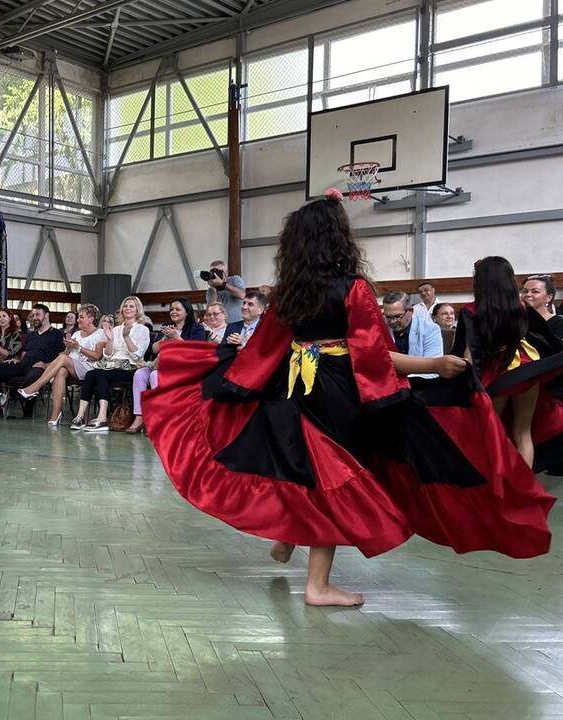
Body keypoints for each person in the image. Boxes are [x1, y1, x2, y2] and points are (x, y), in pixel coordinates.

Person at [143, 193, 554, 607]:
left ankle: (286, 540)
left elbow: (264, 349)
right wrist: (434, 364)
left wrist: (230, 380)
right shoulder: (353, 288)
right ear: (338, 238)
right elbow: (374, 355)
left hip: (293, 385)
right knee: (335, 479)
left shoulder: (289, 291)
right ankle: (317, 585)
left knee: (307, 463)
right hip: (339, 389)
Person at [452, 257, 563, 468]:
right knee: (523, 432)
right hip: (527, 368)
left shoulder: (471, 310)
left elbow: (469, 352)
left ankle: (500, 487)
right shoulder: (520, 307)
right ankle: (525, 489)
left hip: (498, 373)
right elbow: (543, 337)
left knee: (493, 433)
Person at [125, 297, 207, 434]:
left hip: (184, 369)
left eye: (177, 309)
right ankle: (139, 417)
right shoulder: (167, 327)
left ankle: (159, 419)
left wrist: (176, 337)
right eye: (171, 309)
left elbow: (196, 351)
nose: (173, 312)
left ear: (187, 312)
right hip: (162, 364)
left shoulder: (196, 328)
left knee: (155, 375)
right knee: (139, 374)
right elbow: (154, 349)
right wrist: (164, 339)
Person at [70, 296, 150, 433]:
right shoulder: (116, 329)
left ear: (137, 310)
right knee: (90, 374)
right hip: (112, 365)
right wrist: (110, 340)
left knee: (101, 375)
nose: (128, 309)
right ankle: (80, 416)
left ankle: (102, 418)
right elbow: (107, 355)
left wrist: (126, 337)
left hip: (130, 367)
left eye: (131, 306)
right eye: (125, 306)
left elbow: (137, 355)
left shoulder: (142, 330)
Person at [16, 303, 106, 426]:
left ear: (91, 319)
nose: (78, 319)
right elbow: (66, 353)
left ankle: (35, 387)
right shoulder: (76, 334)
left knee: (62, 359)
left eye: (81, 317)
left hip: (89, 368)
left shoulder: (100, 334)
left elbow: (97, 356)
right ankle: (55, 415)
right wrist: (68, 347)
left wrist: (78, 348)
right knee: (60, 371)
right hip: (72, 365)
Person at [0, 304, 64, 418]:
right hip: (23, 364)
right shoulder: (31, 335)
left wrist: (47, 365)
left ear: (47, 315)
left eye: (38, 314)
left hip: (41, 366)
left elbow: (61, 356)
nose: (34, 318)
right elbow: (24, 353)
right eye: (33, 315)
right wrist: (17, 360)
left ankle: (27, 414)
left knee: (31, 378)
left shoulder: (56, 334)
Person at [381, 291, 443, 375]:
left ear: (411, 311)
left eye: (397, 316)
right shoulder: (379, 329)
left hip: (419, 383)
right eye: (388, 317)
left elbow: (433, 369)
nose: (392, 322)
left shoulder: (430, 329)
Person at [522, 274, 563, 340]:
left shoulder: (559, 323)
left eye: (535, 291)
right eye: (525, 291)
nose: (528, 295)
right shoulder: (517, 322)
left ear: (549, 297)